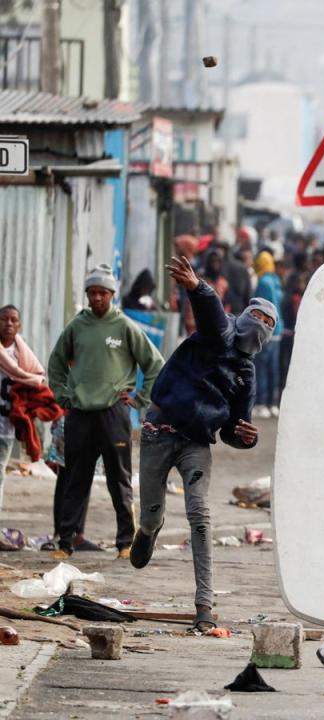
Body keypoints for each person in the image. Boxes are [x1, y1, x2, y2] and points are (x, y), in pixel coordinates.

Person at [130, 256, 275, 632]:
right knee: (149, 513)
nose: (260, 326)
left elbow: (233, 427)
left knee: (200, 516)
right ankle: (149, 530)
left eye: (269, 325)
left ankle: (204, 604)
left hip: (196, 444)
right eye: (258, 317)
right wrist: (197, 286)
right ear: (244, 316)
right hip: (159, 431)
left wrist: (246, 437)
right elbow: (209, 310)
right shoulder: (220, 333)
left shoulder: (246, 372)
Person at [47, 264, 164, 558]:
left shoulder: (124, 326)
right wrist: (63, 396)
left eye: (102, 293)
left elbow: (154, 364)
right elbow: (56, 364)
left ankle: (125, 542)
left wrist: (139, 399)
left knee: (119, 479)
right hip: (80, 414)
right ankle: (65, 542)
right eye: (92, 292)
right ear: (87, 294)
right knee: (76, 477)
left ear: (111, 294)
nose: (97, 298)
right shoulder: (77, 326)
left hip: (114, 414)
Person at [0, 305, 47, 515]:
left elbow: (38, 379)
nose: (8, 324)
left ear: (19, 325)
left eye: (13, 320)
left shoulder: (22, 356)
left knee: (0, 473)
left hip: (6, 426)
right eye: (4, 319)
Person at [252, 251, 284, 418]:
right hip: (279, 329)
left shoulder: (263, 282)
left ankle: (261, 403)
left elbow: (262, 308)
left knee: (262, 367)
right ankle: (273, 403)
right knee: (273, 368)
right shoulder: (276, 280)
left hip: (267, 330)